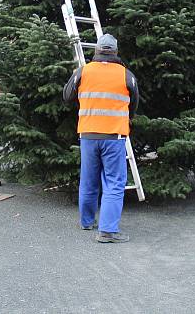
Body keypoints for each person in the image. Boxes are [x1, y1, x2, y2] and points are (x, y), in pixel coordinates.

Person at [63, 33, 139, 243]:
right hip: (114, 136)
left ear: (97, 50)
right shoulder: (126, 75)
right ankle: (107, 231)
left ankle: (87, 221)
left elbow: (67, 95)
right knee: (114, 182)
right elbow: (134, 104)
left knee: (88, 180)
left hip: (87, 134)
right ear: (115, 52)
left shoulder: (83, 71)